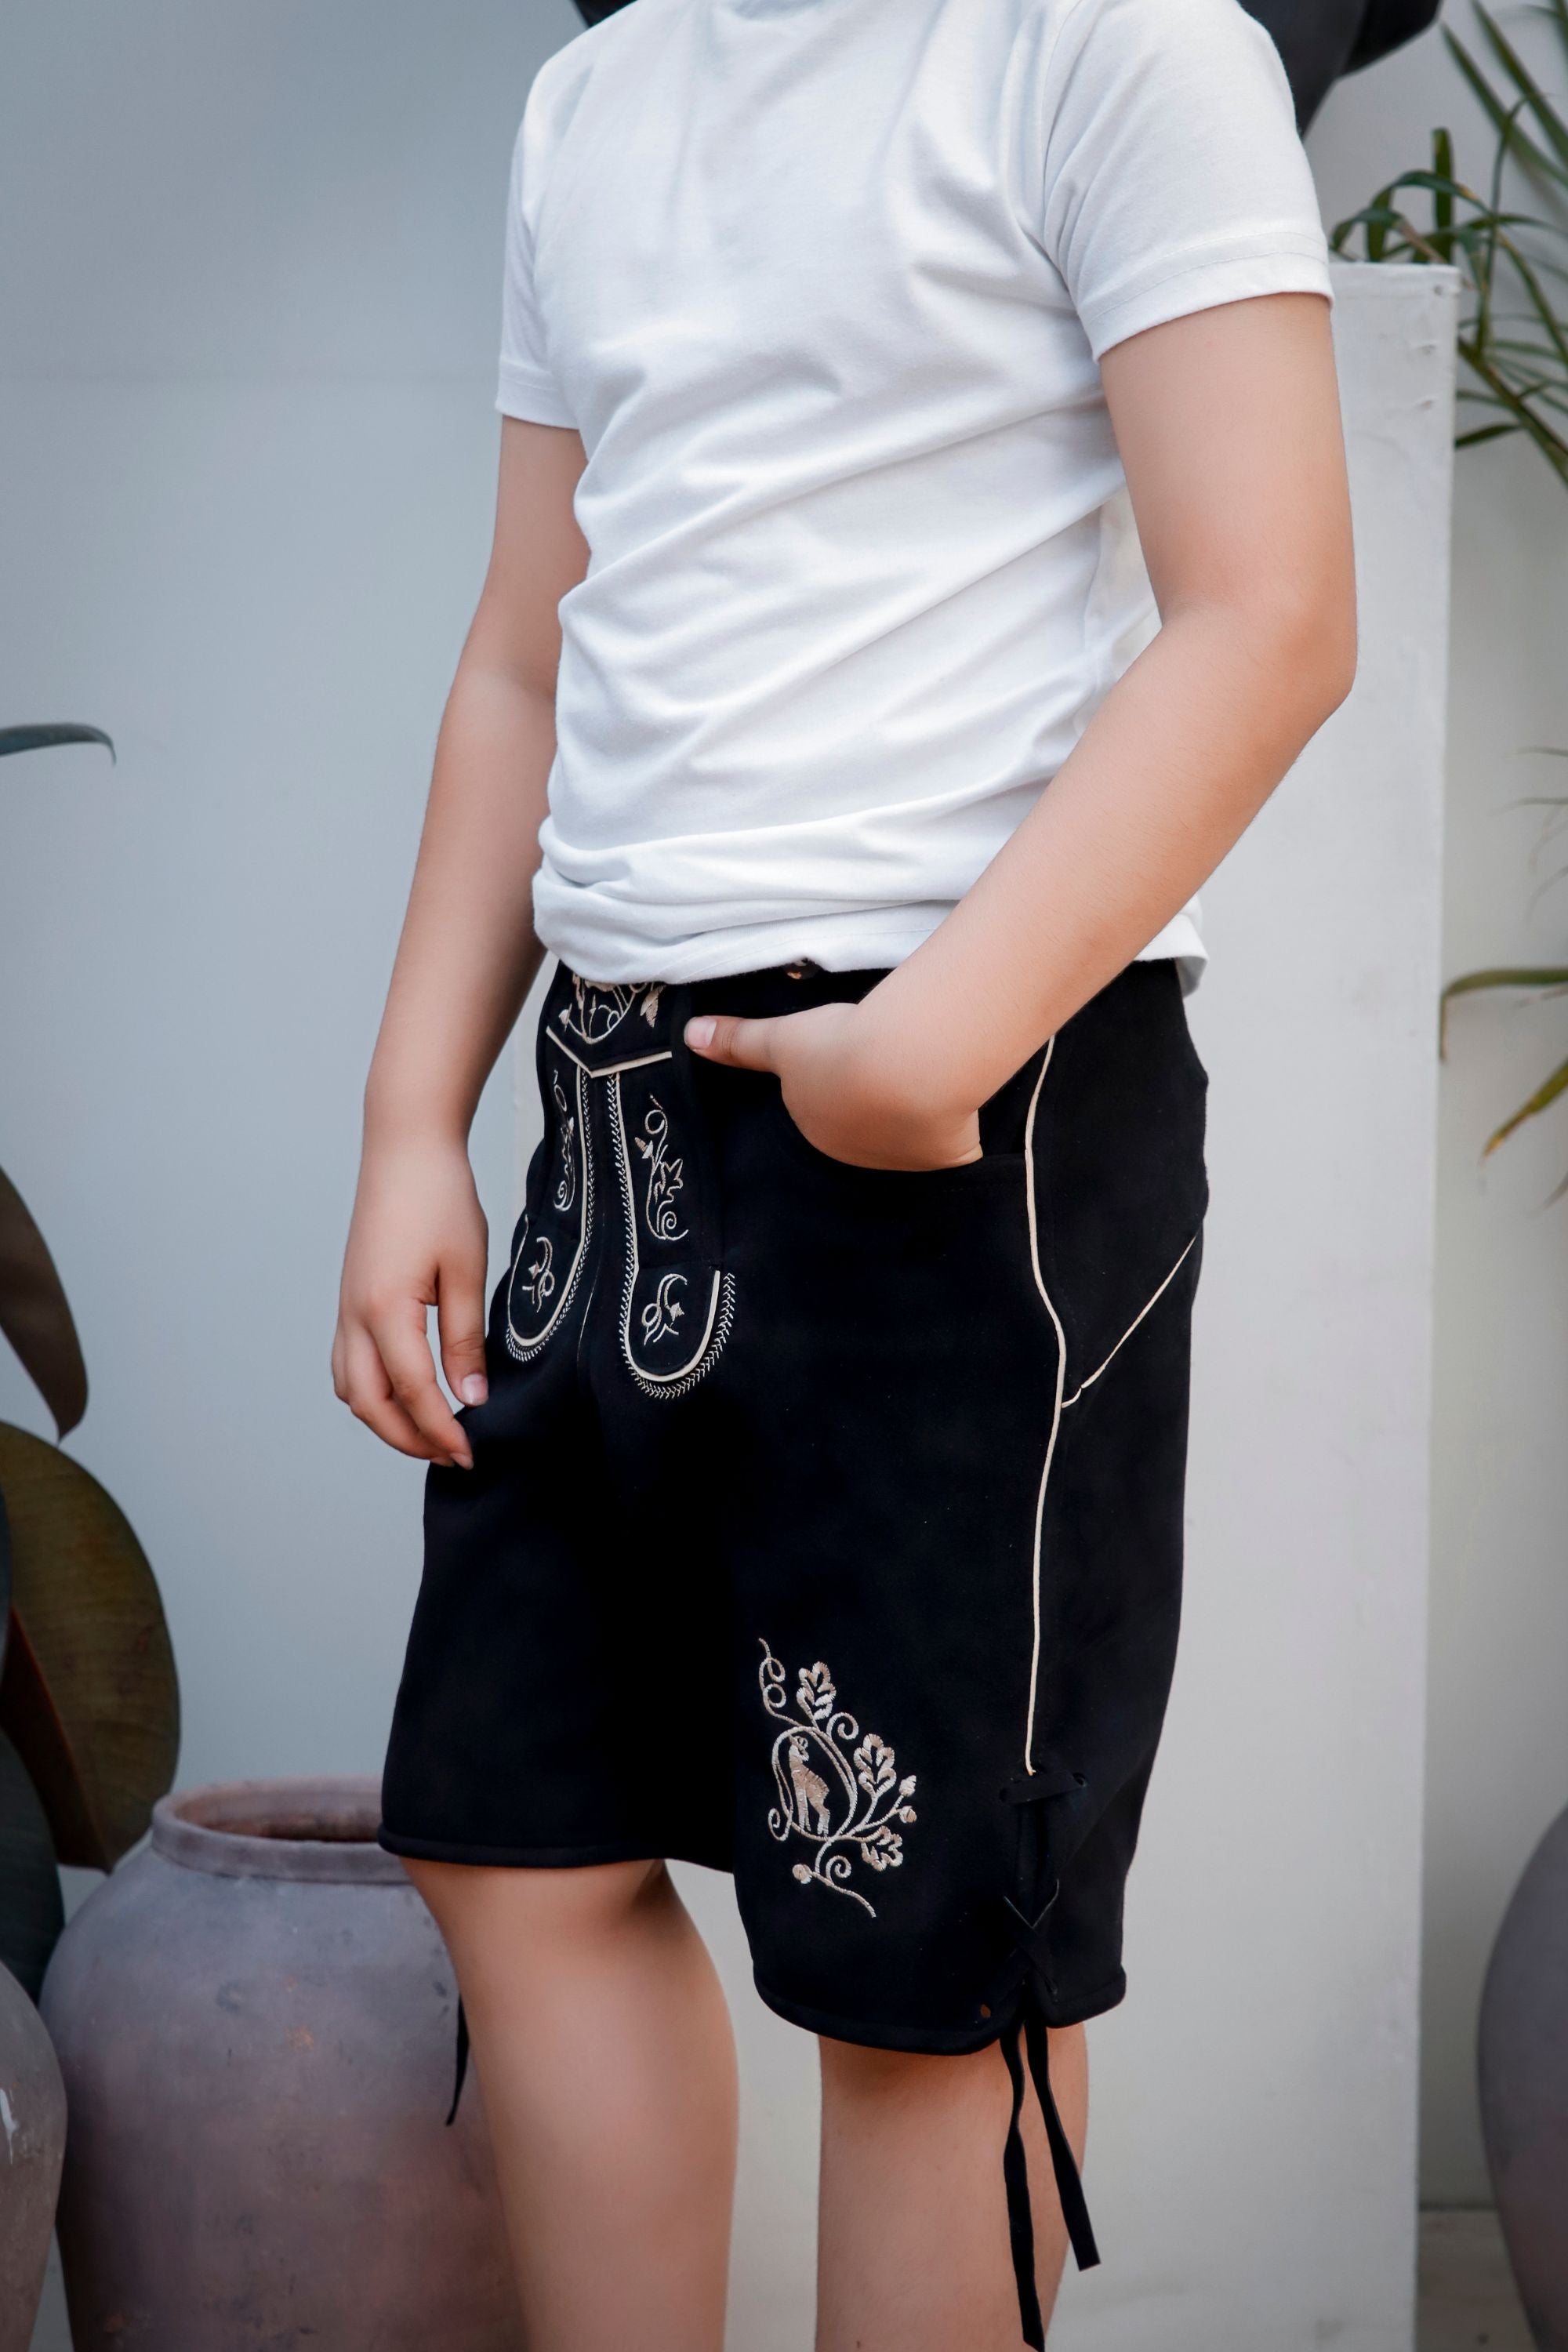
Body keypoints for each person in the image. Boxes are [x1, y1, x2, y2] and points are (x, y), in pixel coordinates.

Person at [333, 0, 1354, 2341]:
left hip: (969, 1112)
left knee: (926, 1957)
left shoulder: (1113, 43)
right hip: (612, 1098)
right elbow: (526, 651)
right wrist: (413, 1120)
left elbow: (1273, 610)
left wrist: (932, 1049)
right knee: (516, 1834)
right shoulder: (598, 98)